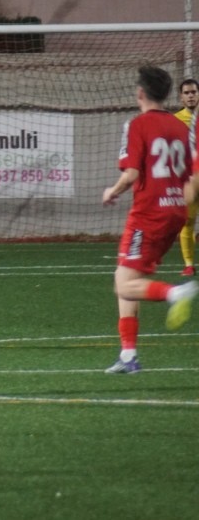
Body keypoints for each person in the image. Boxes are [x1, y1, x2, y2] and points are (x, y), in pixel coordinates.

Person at [102, 66, 198, 374]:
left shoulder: (137, 124)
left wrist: (112, 191)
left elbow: (131, 173)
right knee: (127, 276)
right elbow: (190, 176)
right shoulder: (181, 127)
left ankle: (175, 293)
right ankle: (128, 355)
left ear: (140, 92)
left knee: (123, 285)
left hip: (148, 213)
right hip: (175, 211)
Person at [173, 78, 199, 275]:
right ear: (181, 97)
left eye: (194, 92)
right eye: (187, 93)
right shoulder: (175, 120)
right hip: (188, 180)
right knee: (187, 221)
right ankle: (189, 265)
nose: (191, 96)